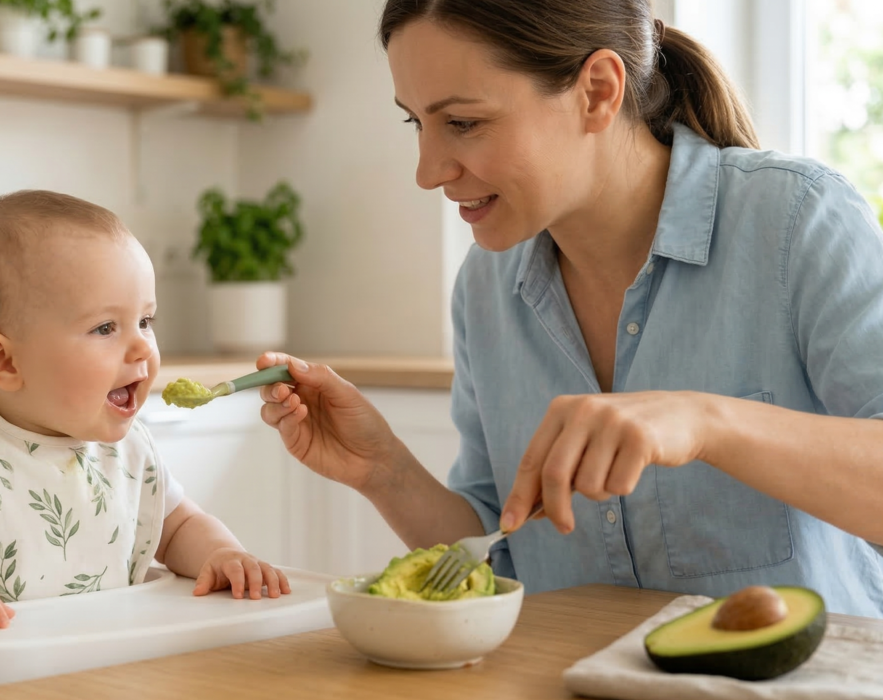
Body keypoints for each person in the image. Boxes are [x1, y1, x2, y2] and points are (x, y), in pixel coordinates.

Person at [258, 0, 883, 618]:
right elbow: (498, 555)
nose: (427, 171)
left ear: (597, 91)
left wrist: (703, 423)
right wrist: (383, 470)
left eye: (465, 123)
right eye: (415, 123)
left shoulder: (799, 220)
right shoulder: (486, 286)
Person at [0, 190, 290, 700]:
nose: (143, 345)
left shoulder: (127, 450)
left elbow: (180, 524)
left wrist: (224, 554)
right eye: (105, 327)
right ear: (4, 362)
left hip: (103, 687)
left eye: (146, 320)